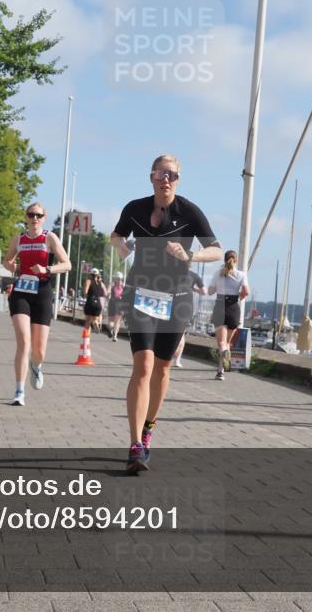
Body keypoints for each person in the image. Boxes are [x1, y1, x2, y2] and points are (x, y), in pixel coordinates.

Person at [111, 154, 222, 473]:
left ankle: (148, 429)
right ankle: (135, 446)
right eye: (161, 173)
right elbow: (116, 235)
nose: (167, 179)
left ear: (178, 179)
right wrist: (121, 247)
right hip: (142, 293)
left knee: (162, 367)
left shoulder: (189, 210)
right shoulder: (134, 208)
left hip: (178, 296)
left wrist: (191, 254)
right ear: (151, 177)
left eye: (172, 174)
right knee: (143, 365)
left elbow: (216, 248)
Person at [4, 202, 71, 406]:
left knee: (39, 350)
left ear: (44, 217)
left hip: (42, 291)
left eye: (38, 215)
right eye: (31, 215)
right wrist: (11, 265)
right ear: (26, 216)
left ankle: (37, 365)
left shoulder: (49, 237)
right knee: (24, 342)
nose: (34, 219)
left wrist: (47, 269)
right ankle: (19, 390)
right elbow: (7, 261)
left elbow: (67, 264)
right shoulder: (19, 238)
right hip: (22, 291)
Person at [201, 251, 250, 381]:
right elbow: (246, 292)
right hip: (234, 307)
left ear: (224, 260)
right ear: (236, 260)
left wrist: (217, 288)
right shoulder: (241, 275)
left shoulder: (218, 273)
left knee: (221, 343)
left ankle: (221, 369)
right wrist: (239, 297)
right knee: (227, 342)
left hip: (220, 306)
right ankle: (221, 369)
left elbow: (211, 291)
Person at [170, 270, 206, 367]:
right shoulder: (194, 275)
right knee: (181, 334)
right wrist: (194, 289)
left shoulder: (172, 273)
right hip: (186, 307)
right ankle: (177, 360)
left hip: (171, 304)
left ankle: (168, 355)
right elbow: (204, 292)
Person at [82, 268, 107, 333]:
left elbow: (85, 291)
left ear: (90, 274)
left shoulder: (89, 280)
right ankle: (95, 322)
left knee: (87, 321)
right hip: (98, 303)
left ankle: (86, 340)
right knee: (94, 318)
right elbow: (105, 292)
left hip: (90, 301)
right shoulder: (100, 283)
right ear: (97, 275)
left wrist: (84, 288)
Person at [107, 272, 126, 341]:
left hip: (112, 302)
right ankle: (114, 336)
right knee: (117, 321)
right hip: (120, 303)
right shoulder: (123, 286)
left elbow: (107, 292)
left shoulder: (112, 284)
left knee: (111, 320)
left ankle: (110, 329)